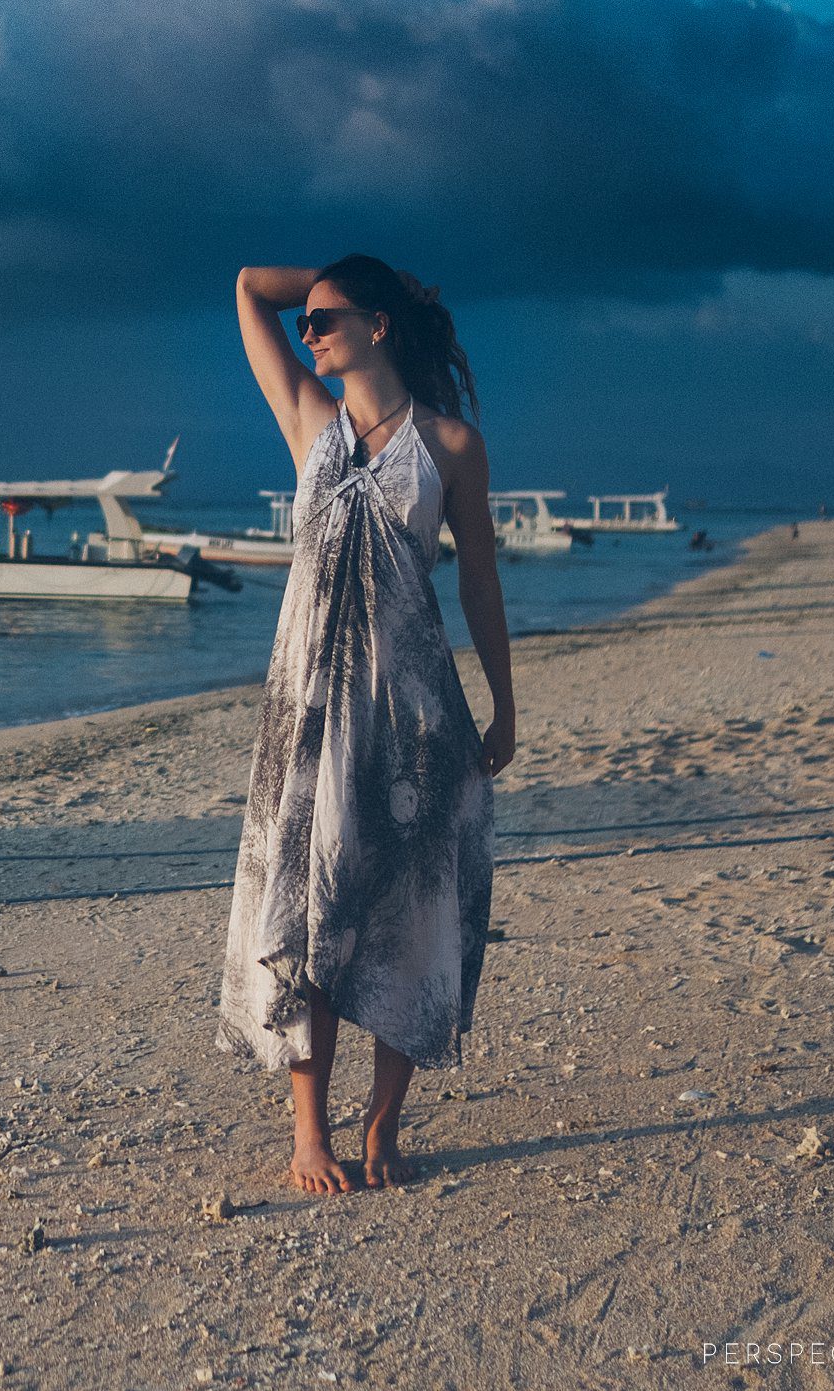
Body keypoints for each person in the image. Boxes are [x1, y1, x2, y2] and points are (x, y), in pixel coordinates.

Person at [224, 257, 514, 1195]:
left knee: (406, 915)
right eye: (305, 326)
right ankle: (310, 1134)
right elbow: (244, 288)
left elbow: (478, 584)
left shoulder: (452, 447)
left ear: (377, 326)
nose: (308, 334)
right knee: (310, 917)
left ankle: (384, 1122)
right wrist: (337, 277)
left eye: (327, 320)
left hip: (413, 716)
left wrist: (506, 702)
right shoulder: (309, 420)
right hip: (306, 717)